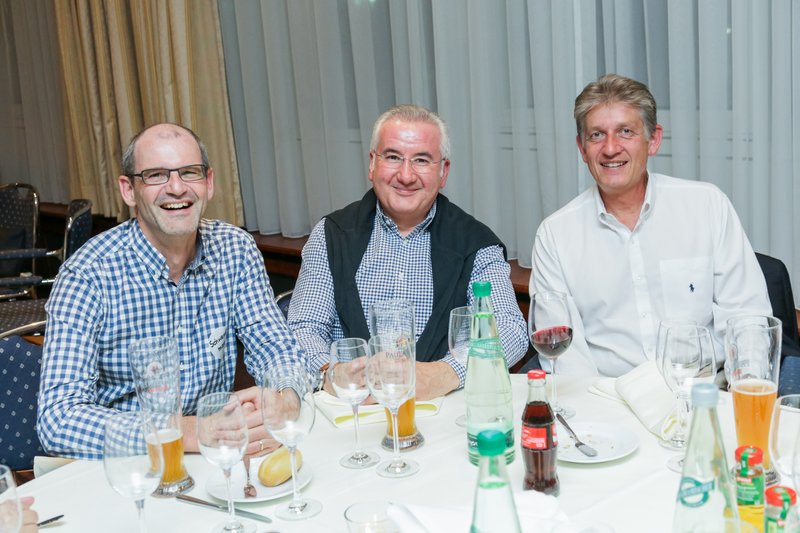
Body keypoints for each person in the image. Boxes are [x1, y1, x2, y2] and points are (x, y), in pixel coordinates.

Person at [37, 123, 303, 459]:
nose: (176, 188)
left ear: (208, 183)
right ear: (129, 190)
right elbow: (58, 419)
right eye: (156, 175)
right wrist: (187, 431)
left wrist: (285, 396)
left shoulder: (235, 249)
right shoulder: (88, 274)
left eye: (189, 172)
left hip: (215, 459)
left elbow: (275, 347)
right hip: (129, 467)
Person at [530, 74, 771, 377]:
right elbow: (567, 360)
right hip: (608, 396)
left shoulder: (707, 206)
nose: (610, 148)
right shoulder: (555, 235)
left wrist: (748, 388)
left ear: (653, 139)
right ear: (582, 148)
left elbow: (747, 316)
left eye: (625, 131)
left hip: (703, 390)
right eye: (597, 135)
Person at [288, 105, 528, 399]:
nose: (405, 175)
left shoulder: (476, 243)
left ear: (443, 172)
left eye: (421, 160)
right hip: (352, 411)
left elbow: (510, 329)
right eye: (392, 157)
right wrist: (330, 373)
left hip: (440, 410)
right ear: (372, 164)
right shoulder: (330, 235)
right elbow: (303, 328)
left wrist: (445, 373)